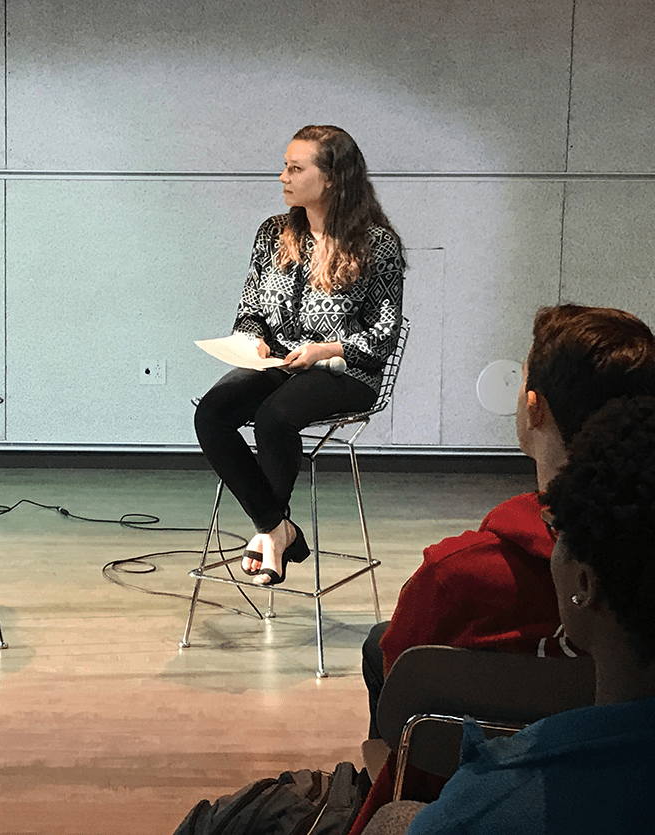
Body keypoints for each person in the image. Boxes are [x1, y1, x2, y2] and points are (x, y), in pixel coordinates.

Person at [351, 304, 655, 835]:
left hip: (470, 796)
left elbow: (407, 683)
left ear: (533, 407)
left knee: (382, 652)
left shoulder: (457, 573)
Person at [194, 125, 405, 586]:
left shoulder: (377, 245)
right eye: (284, 166)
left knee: (274, 417)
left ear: (331, 178)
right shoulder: (273, 233)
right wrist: (252, 339)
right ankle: (276, 527)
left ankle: (269, 534)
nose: (283, 177)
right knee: (212, 413)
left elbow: (383, 337)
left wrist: (325, 350)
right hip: (282, 363)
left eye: (295, 168)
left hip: (346, 368)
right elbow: (251, 308)